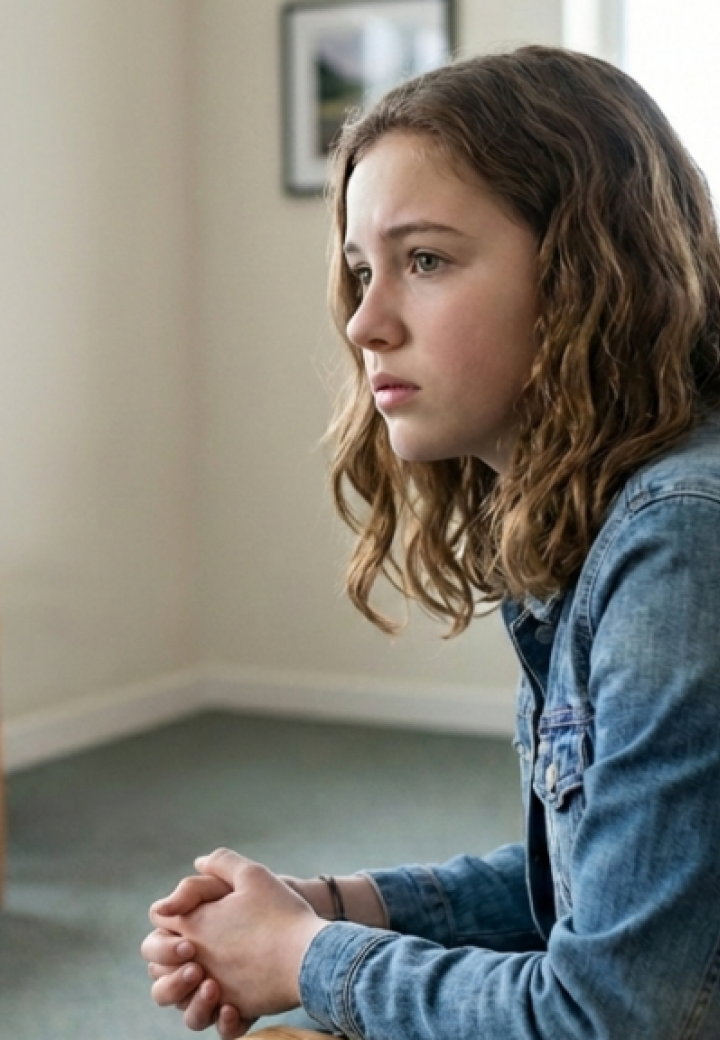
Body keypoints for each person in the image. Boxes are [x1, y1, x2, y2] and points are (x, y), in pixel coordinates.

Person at [140, 45, 720, 1040]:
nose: (365, 321)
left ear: (585, 274)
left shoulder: (678, 539)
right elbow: (604, 880)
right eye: (364, 270)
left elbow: (617, 1013)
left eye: (425, 260)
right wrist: (333, 905)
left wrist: (301, 957)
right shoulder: (609, 513)